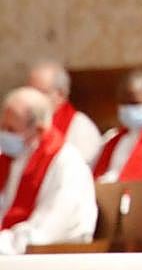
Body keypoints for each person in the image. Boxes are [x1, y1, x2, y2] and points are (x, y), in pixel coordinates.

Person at [0, 87, 98, 254]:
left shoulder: (66, 164)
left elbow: (44, 231)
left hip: (56, 254)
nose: (3, 135)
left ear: (38, 130)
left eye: (11, 129)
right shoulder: (15, 158)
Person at [27, 61, 102, 165]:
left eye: (40, 93)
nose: (30, 98)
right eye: (29, 92)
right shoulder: (24, 124)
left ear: (60, 95)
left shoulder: (81, 128)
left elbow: (77, 171)